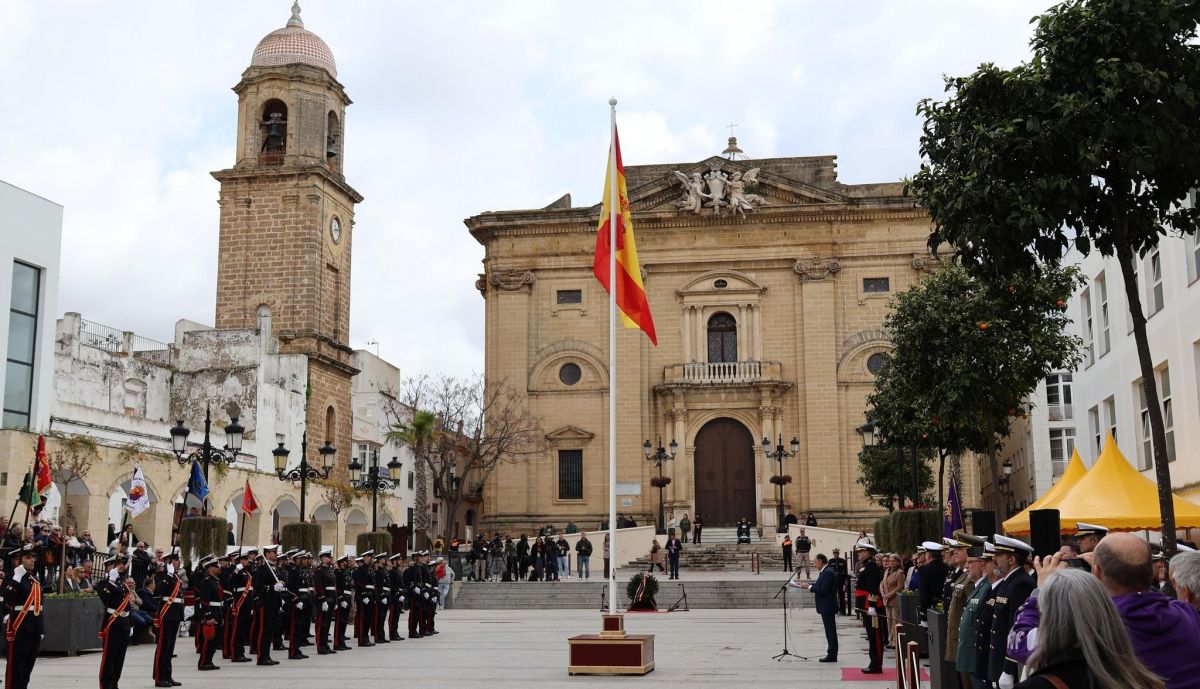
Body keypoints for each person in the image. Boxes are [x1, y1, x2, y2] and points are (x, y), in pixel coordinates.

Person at [1013, 568, 1162, 689]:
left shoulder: (1039, 685)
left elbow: (1017, 641)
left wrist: (1036, 597)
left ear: (1048, 620)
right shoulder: (1143, 680)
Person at [2, 544, 43, 689]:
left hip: (34, 630)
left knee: (27, 669)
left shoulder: (34, 579)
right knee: (16, 669)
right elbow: (7, 600)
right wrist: (17, 578)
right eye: (28, 557)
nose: (32, 560)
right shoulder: (12, 578)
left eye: (33, 557)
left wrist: (41, 629)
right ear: (17, 561)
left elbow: (39, 607)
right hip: (19, 629)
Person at [96, 554, 132, 689]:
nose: (120, 566)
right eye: (116, 564)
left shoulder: (122, 584)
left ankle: (114, 683)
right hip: (113, 623)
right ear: (108, 567)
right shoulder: (104, 583)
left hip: (124, 623)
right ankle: (106, 685)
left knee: (119, 657)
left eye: (121, 563)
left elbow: (127, 604)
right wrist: (111, 581)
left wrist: (131, 623)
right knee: (109, 657)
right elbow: (104, 598)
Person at [795, 553, 839, 662]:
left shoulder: (828, 572)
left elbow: (823, 590)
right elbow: (820, 584)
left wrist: (809, 586)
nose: (814, 564)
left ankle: (832, 655)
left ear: (820, 561)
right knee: (829, 631)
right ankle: (831, 653)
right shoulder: (825, 571)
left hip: (828, 606)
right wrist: (808, 585)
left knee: (830, 631)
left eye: (815, 562)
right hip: (826, 606)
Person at [151, 551, 184, 687]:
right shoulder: (162, 576)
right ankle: (159, 677)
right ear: (169, 562)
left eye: (178, 560)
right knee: (163, 647)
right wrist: (168, 575)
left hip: (175, 615)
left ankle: (168, 675)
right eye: (175, 560)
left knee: (170, 648)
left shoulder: (175, 577)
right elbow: (158, 592)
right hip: (166, 615)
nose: (178, 562)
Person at [855, 540, 885, 674]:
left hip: (871, 606)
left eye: (860, 552)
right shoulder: (866, 565)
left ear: (866, 553)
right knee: (871, 636)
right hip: (866, 606)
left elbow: (872, 587)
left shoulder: (871, 566)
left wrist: (872, 606)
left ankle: (876, 665)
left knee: (875, 637)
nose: (858, 554)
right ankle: (873, 662)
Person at [253, 545, 285, 665]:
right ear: (266, 554)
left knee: (270, 631)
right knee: (264, 631)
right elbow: (258, 587)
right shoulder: (263, 569)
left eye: (275, 552)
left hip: (274, 604)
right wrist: (272, 587)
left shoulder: (274, 568)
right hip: (265, 604)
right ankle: (261, 657)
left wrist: (280, 588)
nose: (275, 554)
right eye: (273, 552)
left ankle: (267, 655)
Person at [195, 555, 224, 671]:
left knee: (215, 640)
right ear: (210, 568)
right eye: (216, 566)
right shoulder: (206, 582)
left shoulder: (216, 581)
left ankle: (209, 660)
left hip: (217, 611)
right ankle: (203, 662)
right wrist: (208, 616)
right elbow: (204, 601)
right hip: (211, 611)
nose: (218, 568)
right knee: (209, 639)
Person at [917, 541, 950, 618]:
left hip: (931, 609)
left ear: (928, 555)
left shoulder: (924, 570)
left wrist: (923, 613)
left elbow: (924, 594)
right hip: (946, 606)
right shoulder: (948, 568)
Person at [879, 553, 905, 648]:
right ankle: (890, 640)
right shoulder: (887, 571)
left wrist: (888, 595)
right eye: (890, 561)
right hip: (886, 600)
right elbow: (882, 583)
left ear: (898, 562)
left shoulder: (900, 572)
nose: (891, 563)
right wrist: (882, 592)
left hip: (894, 600)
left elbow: (900, 587)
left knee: (895, 621)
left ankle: (895, 642)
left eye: (893, 561)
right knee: (889, 621)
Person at [125, 576, 155, 643]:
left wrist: (135, 600)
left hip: (138, 611)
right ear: (125, 583)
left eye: (132, 583)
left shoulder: (133, 592)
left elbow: (141, 602)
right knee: (142, 621)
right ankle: (133, 638)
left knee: (151, 620)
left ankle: (135, 637)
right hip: (131, 611)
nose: (131, 584)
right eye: (129, 583)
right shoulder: (124, 591)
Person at [827, 547, 849, 615]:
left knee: (841, 595)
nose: (836, 554)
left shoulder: (843, 561)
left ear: (838, 553)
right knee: (833, 595)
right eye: (835, 553)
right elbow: (829, 571)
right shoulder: (830, 561)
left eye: (837, 553)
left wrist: (846, 580)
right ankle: (834, 609)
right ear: (833, 554)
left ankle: (842, 609)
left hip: (840, 580)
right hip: (833, 581)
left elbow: (845, 571)